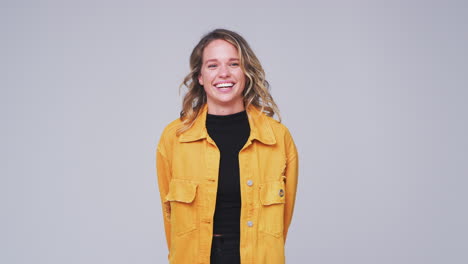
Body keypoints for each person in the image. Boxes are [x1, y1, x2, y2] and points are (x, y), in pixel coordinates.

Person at [156, 28, 299, 264]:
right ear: (200, 77)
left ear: (246, 72)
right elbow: (169, 217)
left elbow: (283, 220)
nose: (224, 73)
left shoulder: (277, 138)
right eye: (212, 65)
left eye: (233, 64)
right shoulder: (175, 138)